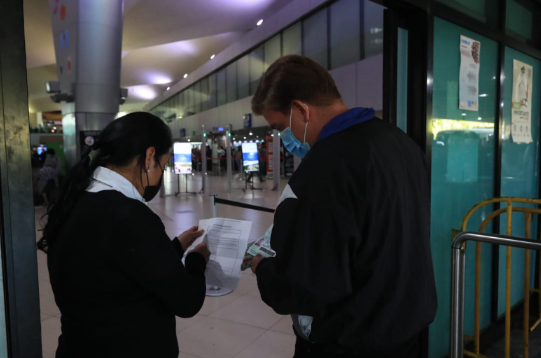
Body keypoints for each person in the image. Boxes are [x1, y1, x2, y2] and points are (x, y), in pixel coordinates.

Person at [249, 55, 437, 357]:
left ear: (300, 109)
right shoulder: (400, 143)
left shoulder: (322, 169)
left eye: (281, 126)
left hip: (350, 339)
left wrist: (263, 267)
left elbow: (307, 287)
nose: (283, 137)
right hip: (407, 328)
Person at [37, 112, 211, 358]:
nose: (161, 173)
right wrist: (197, 259)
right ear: (150, 157)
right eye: (163, 164)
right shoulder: (129, 215)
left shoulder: (75, 199)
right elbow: (186, 300)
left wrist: (173, 248)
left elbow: (115, 267)